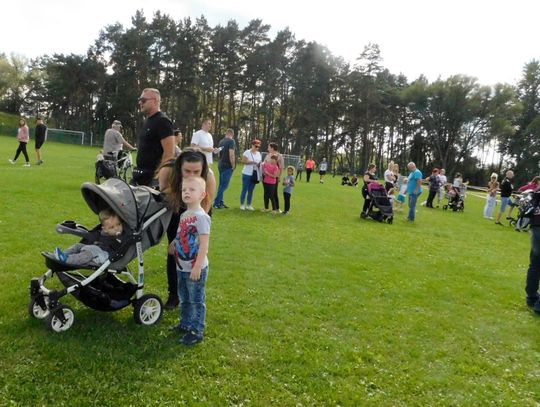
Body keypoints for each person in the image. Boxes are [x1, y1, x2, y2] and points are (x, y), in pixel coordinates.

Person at [162, 148, 216, 310]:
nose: (192, 175)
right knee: (174, 252)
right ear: (180, 167)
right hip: (177, 209)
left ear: (203, 169)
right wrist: (176, 238)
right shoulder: (168, 171)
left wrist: (185, 233)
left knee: (193, 252)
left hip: (199, 211)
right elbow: (163, 195)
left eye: (196, 171)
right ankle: (174, 295)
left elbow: (205, 205)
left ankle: (193, 295)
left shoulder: (209, 176)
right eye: (187, 171)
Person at [168, 176, 211, 346]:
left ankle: (196, 330)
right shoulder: (185, 214)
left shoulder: (202, 217)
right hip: (182, 266)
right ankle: (185, 324)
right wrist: (173, 243)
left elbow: (204, 245)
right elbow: (181, 233)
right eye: (184, 189)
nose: (186, 192)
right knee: (184, 298)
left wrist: (197, 267)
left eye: (191, 189)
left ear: (202, 194)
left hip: (195, 268)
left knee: (196, 300)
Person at [132, 88, 176, 189]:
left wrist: (158, 178)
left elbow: (169, 153)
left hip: (152, 179)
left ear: (155, 101)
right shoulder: (148, 121)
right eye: (140, 100)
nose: (140, 103)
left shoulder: (163, 121)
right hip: (141, 175)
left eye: (143, 100)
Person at [54, 209, 126, 266]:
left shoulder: (121, 236)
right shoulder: (104, 233)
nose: (117, 228)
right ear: (105, 229)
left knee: (88, 253)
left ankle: (68, 260)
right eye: (112, 227)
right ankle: (64, 254)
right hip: (97, 250)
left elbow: (119, 247)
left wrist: (118, 237)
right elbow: (97, 237)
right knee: (78, 246)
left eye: (119, 224)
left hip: (105, 256)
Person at [213, 128, 236, 209]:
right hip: (227, 165)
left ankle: (221, 203)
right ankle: (216, 203)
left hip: (220, 164)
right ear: (232, 134)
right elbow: (231, 154)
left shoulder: (221, 141)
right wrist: (233, 165)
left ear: (226, 133)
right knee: (224, 186)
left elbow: (219, 153)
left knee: (221, 185)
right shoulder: (231, 141)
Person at [240, 139, 262, 210]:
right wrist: (252, 162)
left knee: (251, 190)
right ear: (252, 145)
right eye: (256, 146)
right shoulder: (247, 152)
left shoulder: (258, 154)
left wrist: (259, 165)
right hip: (247, 173)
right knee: (244, 189)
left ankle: (249, 204)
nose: (257, 148)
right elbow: (243, 161)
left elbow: (259, 162)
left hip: (254, 173)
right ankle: (242, 204)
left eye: (258, 147)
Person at [264, 142, 285, 211]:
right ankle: (266, 208)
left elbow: (281, 167)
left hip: (274, 177)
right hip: (266, 177)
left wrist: (279, 177)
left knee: (274, 193)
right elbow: (264, 164)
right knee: (266, 193)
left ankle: (277, 208)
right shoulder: (268, 155)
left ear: (272, 148)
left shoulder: (279, 156)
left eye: (269, 147)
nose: (267, 148)